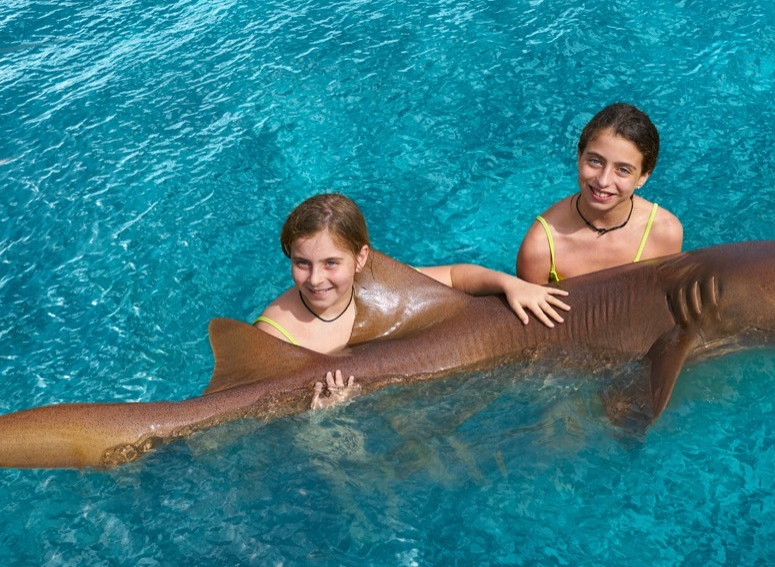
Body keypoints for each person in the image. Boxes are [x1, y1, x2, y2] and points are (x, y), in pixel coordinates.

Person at [253, 193, 569, 405]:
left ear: (361, 258)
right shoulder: (276, 334)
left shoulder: (379, 285)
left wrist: (510, 284)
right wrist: (318, 414)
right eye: (301, 263)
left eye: (331, 263)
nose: (315, 279)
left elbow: (457, 276)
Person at [516, 103, 683, 284]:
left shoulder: (664, 232)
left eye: (623, 170)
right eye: (595, 161)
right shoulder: (542, 246)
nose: (603, 181)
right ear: (579, 157)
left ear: (643, 177)